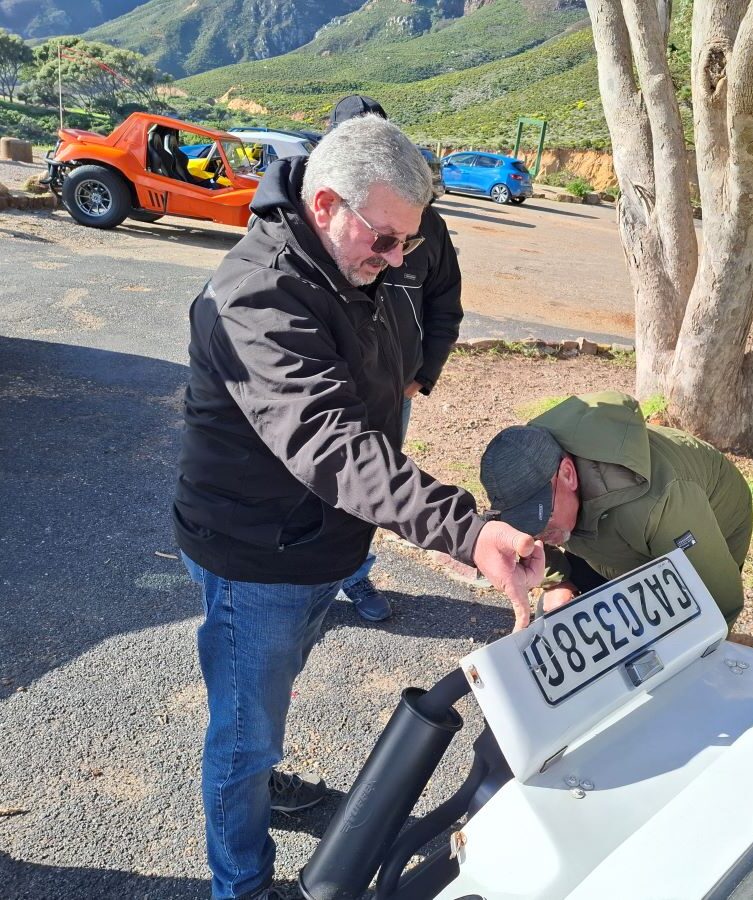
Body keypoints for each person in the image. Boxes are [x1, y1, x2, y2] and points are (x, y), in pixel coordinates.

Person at [173, 114, 542, 900]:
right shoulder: (259, 293)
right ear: (325, 204)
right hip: (257, 556)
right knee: (241, 737)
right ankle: (239, 883)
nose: (396, 260)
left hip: (316, 544)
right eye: (384, 241)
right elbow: (330, 443)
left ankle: (260, 782)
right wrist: (467, 531)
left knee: (257, 714)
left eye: (408, 244)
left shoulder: (347, 263)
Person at [326, 94, 464, 623]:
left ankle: (353, 574)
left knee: (371, 482)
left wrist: (423, 375)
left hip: (391, 391)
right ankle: (305, 580)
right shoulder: (312, 228)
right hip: (325, 384)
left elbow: (445, 304)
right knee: (309, 475)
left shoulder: (426, 228)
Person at [479, 390, 753, 629]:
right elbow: (523, 537)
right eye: (524, 521)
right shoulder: (534, 468)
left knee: (650, 636)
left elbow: (716, 599)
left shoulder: (660, 504)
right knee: (553, 618)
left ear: (568, 473)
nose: (536, 531)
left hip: (700, 532)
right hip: (606, 540)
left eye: (540, 515)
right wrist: (558, 582)